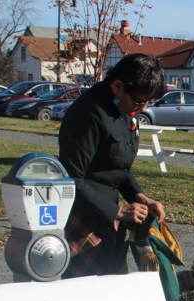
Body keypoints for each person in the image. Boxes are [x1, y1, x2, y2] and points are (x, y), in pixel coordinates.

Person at [59, 53, 166, 278]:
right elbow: (71, 178)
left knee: (112, 288)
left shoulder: (126, 109)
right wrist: (117, 211)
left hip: (111, 219)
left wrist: (140, 196)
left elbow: (119, 168)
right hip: (83, 218)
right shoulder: (88, 114)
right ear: (117, 86)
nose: (143, 108)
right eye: (139, 101)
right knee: (84, 292)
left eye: (148, 102)